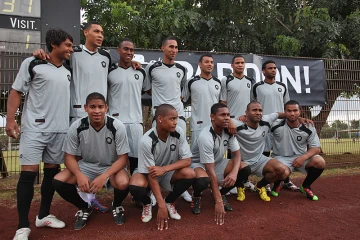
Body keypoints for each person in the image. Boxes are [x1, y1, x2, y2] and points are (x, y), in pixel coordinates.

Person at [6, 28, 74, 240]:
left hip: (60, 129)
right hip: (35, 129)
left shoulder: (68, 69)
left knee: (51, 172)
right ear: (54, 45)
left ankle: (43, 215)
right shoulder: (33, 63)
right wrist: (10, 119)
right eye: (68, 45)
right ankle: (22, 226)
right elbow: (16, 91)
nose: (70, 49)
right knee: (28, 175)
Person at [52, 92, 130, 230]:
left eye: (100, 107)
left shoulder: (117, 126)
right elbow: (68, 157)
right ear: (85, 108)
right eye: (92, 107)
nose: (96, 111)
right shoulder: (76, 126)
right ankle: (85, 207)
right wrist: (79, 175)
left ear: (106, 107)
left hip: (111, 166)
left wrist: (104, 176)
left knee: (123, 183)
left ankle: (116, 205)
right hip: (87, 166)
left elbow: (123, 158)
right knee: (58, 181)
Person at [128, 104, 195, 230]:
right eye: (172, 119)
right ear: (160, 119)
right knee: (135, 184)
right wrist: (160, 206)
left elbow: (187, 160)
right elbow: (151, 174)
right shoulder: (146, 141)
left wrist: (164, 169)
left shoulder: (178, 132)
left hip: (166, 172)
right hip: (148, 173)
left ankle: (169, 201)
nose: (176, 122)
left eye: (176, 119)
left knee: (190, 173)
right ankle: (147, 203)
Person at [143, 36, 191, 202]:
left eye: (176, 47)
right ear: (162, 48)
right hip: (160, 116)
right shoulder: (152, 68)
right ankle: (151, 190)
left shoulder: (182, 69)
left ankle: (180, 188)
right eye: (171, 47)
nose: (174, 50)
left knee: (179, 151)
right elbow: (148, 89)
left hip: (179, 115)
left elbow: (183, 91)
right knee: (155, 152)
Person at [190, 103, 249, 225]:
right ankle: (196, 196)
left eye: (228, 115)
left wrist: (233, 173)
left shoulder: (228, 131)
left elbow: (237, 155)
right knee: (204, 181)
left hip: (217, 162)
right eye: (222, 115)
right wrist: (218, 203)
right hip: (199, 165)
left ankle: (221, 194)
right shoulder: (205, 136)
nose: (227, 118)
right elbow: (210, 170)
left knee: (245, 169)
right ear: (212, 117)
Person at [252, 60, 298, 192]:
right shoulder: (257, 87)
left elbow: (287, 106)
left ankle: (286, 180)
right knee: (265, 152)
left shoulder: (282, 86)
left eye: (275, 68)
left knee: (282, 152)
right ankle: (266, 181)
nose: (273, 70)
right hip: (264, 124)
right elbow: (254, 105)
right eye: (270, 68)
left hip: (280, 125)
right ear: (263, 71)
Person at [233, 101, 290, 202]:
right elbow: (222, 120)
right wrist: (230, 124)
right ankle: (240, 186)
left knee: (282, 170)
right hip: (242, 162)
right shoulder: (238, 124)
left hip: (260, 160)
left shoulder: (266, 120)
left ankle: (260, 185)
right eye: (254, 110)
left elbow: (280, 114)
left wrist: (298, 118)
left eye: (260, 110)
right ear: (246, 113)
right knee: (234, 169)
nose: (258, 112)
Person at [270, 100, 325, 200]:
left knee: (320, 162)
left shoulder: (308, 126)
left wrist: (303, 158)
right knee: (281, 170)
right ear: (284, 112)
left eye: (295, 110)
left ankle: (306, 186)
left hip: (301, 157)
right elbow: (260, 120)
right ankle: (277, 185)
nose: (292, 113)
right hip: (281, 158)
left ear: (300, 111)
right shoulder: (275, 125)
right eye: (289, 111)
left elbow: (316, 148)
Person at [107, 38, 146, 175]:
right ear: (118, 50)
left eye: (131, 50)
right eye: (126, 49)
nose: (129, 52)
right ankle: (118, 195)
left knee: (136, 164)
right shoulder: (109, 72)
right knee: (118, 163)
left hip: (136, 122)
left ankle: (137, 195)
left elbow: (149, 90)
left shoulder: (141, 72)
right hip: (115, 122)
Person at [219, 55, 256, 193]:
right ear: (232, 66)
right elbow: (223, 102)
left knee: (244, 151)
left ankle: (243, 180)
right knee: (231, 150)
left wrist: (247, 115)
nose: (240, 65)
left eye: (242, 63)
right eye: (237, 63)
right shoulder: (226, 80)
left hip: (246, 121)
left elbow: (253, 103)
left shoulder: (250, 81)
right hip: (232, 121)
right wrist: (228, 120)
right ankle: (228, 181)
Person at [182, 54, 222, 148]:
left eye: (211, 62)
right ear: (200, 64)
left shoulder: (218, 82)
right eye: (206, 62)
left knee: (215, 154)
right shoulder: (191, 82)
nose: (210, 64)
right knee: (196, 156)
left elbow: (221, 104)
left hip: (215, 125)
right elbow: (182, 100)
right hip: (198, 125)